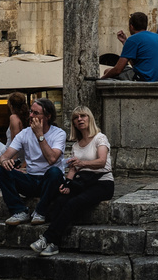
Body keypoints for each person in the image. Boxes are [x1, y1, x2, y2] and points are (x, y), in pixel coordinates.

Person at [31, 106, 114, 257]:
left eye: (83, 116)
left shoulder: (100, 138)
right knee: (60, 199)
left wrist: (82, 163)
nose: (80, 119)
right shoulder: (76, 145)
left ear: (90, 119)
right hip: (83, 182)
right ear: (74, 123)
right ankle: (54, 245)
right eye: (76, 118)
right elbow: (73, 169)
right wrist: (66, 185)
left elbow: (102, 162)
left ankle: (47, 238)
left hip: (102, 183)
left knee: (73, 203)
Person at [0, 97, 68, 226]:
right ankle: (19, 211)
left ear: (48, 117)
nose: (31, 116)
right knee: (1, 171)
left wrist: (40, 135)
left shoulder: (59, 134)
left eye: (36, 113)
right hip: (31, 179)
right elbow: (5, 155)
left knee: (55, 172)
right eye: (31, 112)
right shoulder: (24, 133)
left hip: (50, 182)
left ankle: (40, 211)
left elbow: (52, 159)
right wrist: (4, 161)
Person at [102, 11, 158, 82]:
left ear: (131, 26)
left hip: (147, 79)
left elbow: (118, 70)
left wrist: (101, 79)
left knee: (108, 71)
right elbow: (137, 65)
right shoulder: (156, 36)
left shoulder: (133, 39)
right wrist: (125, 42)